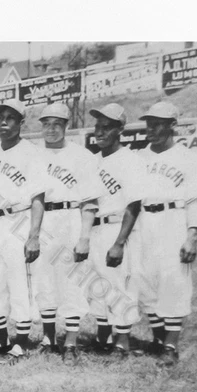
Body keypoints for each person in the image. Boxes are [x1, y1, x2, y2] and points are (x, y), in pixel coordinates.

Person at [134, 102, 197, 365]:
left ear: (172, 125)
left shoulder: (189, 159)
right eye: (149, 122)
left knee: (174, 282)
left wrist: (192, 236)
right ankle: (158, 338)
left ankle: (170, 345)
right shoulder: (139, 157)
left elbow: (196, 202)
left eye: (158, 123)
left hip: (173, 220)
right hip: (144, 222)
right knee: (144, 283)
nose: (151, 128)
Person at [34, 102, 101, 361]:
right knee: (45, 280)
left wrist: (84, 237)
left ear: (66, 126)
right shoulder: (36, 156)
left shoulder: (81, 156)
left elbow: (89, 202)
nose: (51, 129)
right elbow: (36, 198)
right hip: (45, 219)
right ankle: (49, 338)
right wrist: (33, 233)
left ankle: (71, 342)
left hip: (71, 216)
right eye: (46, 124)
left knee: (72, 278)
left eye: (57, 124)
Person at [0, 98, 47, 364]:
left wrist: (33, 236)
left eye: (10, 118)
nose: (4, 123)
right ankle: (1, 339)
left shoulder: (32, 152)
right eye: (1, 117)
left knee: (19, 284)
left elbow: (38, 199)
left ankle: (20, 344)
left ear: (21, 122)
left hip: (18, 219)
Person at [85, 103, 143, 356]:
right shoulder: (93, 160)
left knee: (121, 284)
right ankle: (103, 336)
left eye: (107, 127)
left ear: (120, 129)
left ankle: (122, 341)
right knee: (97, 284)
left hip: (117, 226)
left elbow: (134, 204)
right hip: (96, 229)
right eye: (98, 126)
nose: (100, 132)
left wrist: (120, 242)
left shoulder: (130, 159)